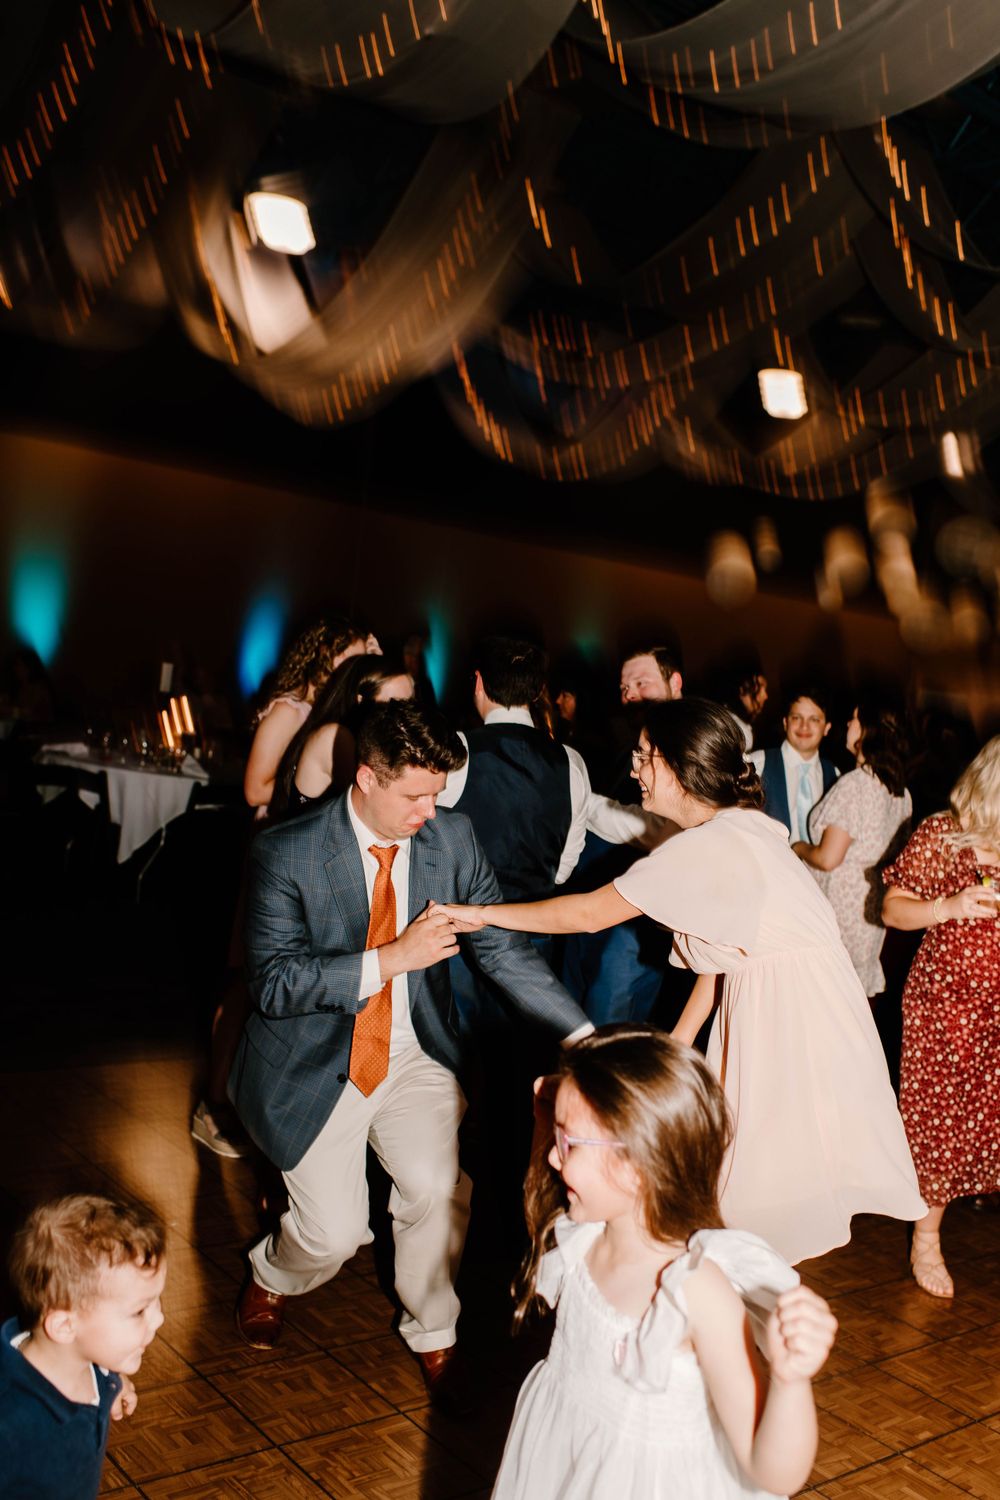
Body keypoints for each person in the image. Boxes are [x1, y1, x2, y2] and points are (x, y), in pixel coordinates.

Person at [439, 698, 925, 1265]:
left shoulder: (706, 845)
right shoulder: (745, 827)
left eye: (645, 756)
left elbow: (588, 914)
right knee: (745, 1188)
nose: (634, 770)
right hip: (801, 1007)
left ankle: (727, 1303)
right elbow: (725, 962)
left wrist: (484, 914)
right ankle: (730, 1297)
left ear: (679, 765)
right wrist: (678, 1047)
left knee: (749, 1193)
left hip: (786, 1021)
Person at [229, 701, 591, 1410]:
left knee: (435, 1189)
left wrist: (581, 1034)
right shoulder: (287, 850)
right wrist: (392, 958)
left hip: (415, 1053)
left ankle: (434, 1329)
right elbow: (273, 984)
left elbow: (501, 950)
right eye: (416, 796)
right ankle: (273, 1271)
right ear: (366, 778)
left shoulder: (452, 839)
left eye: (438, 794)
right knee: (333, 1235)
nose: (431, 811)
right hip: (314, 1060)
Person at [491, 1028, 838, 1500]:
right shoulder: (584, 1235)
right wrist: (547, 1119)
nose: (553, 1155)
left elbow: (774, 1473)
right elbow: (542, 1191)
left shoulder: (695, 1292)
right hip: (565, 1455)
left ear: (637, 1166)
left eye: (568, 1142)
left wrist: (789, 1379)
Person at [191, 615, 373, 1156]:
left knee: (272, 989)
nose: (361, 664)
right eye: (353, 654)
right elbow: (254, 790)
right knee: (245, 982)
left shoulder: (334, 716)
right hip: (271, 856)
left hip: (304, 864)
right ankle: (212, 1103)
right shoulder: (291, 711)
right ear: (324, 656)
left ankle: (250, 1104)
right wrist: (304, 783)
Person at [882, 735, 1000, 1299]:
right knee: (942, 1122)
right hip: (945, 1006)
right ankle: (926, 1239)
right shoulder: (943, 835)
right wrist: (950, 906)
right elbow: (891, 909)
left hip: (996, 1009)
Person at [1, 1193, 167, 1500]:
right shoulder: (12, 1423)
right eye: (139, 1310)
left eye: (157, 1301)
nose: (159, 1318)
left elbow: (97, 1369)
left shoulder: (88, 1357)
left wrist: (113, 1383)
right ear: (65, 1326)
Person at [562, 643, 684, 1026]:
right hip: (596, 902)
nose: (630, 694)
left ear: (675, 683)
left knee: (611, 1014)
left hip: (640, 918)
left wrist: (583, 802)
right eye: (624, 687)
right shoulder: (622, 746)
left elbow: (662, 830)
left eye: (641, 683)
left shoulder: (690, 747)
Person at [794, 696, 912, 997]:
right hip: (870, 909)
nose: (849, 723)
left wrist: (798, 847)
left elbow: (828, 858)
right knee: (849, 995)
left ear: (868, 730)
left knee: (823, 993)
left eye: (855, 719)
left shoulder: (856, 785)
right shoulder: (901, 792)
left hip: (839, 909)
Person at [270, 654, 413, 819]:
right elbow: (377, 803)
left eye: (410, 704)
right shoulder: (333, 736)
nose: (405, 716)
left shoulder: (375, 738)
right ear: (361, 701)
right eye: (394, 705)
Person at [749, 686, 838, 844]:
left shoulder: (835, 775)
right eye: (796, 718)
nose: (804, 726)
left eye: (814, 719)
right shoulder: (758, 764)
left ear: (826, 728)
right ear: (785, 722)